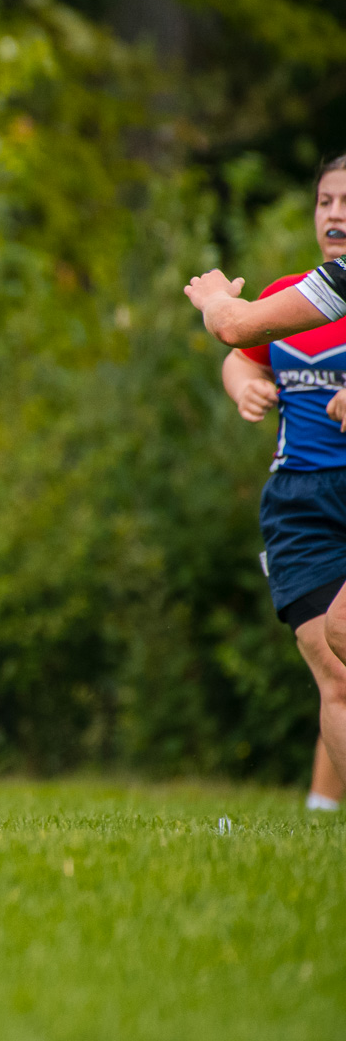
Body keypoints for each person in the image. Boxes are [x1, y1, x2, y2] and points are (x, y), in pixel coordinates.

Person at [211, 153, 346, 804]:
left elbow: (226, 321)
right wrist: (246, 386)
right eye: (325, 201)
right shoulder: (303, 295)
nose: (336, 214)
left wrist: (212, 297)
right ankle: (325, 812)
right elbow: (241, 350)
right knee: (333, 670)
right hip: (299, 498)